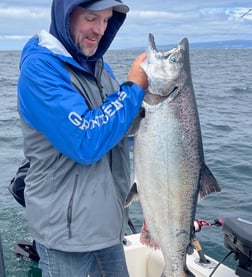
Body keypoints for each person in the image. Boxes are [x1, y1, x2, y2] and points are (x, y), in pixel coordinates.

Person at [17, 0, 148, 276]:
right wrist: (133, 89)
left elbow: (118, 131)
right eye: (91, 18)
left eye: (106, 20)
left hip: (108, 227)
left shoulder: (100, 68)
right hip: (65, 236)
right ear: (66, 15)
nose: (99, 30)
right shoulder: (40, 69)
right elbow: (85, 140)